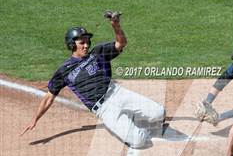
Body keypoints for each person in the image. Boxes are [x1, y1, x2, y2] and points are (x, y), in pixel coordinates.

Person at [21, 11, 165, 148]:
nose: (86, 45)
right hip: (104, 109)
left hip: (117, 93)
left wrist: (116, 26)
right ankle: (128, 124)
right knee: (139, 141)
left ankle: (128, 118)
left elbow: (121, 43)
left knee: (159, 113)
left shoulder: (98, 52)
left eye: (87, 41)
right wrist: (35, 119)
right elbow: (49, 97)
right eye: (82, 42)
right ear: (72, 45)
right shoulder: (63, 70)